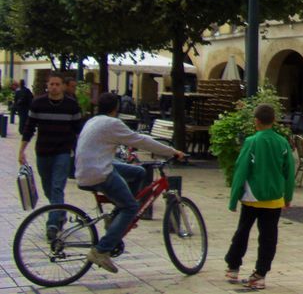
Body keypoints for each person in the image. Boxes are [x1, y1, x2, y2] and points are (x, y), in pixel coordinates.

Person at [75, 93, 184, 274]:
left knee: (138, 172)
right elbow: (141, 141)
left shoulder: (93, 120)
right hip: (98, 172)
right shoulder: (112, 123)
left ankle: (116, 217)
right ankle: (101, 250)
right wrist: (172, 151)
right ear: (116, 108)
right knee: (131, 208)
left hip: (88, 167)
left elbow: (131, 138)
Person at [226, 103, 294, 290]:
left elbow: (241, 170)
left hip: (252, 196)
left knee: (243, 230)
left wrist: (234, 198)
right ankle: (260, 273)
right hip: (274, 197)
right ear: (273, 120)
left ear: (256, 121)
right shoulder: (282, 142)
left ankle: (233, 265)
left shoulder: (252, 141)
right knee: (269, 236)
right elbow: (289, 171)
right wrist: (288, 196)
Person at [19, 73, 83, 239]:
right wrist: (21, 150)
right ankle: (60, 212)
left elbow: (79, 131)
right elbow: (29, 127)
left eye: (57, 84)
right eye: (51, 84)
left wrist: (80, 152)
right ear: (47, 85)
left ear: (62, 86)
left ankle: (52, 225)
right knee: (48, 188)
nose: (54, 87)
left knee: (56, 188)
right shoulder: (38, 103)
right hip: (43, 152)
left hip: (62, 152)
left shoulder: (72, 106)